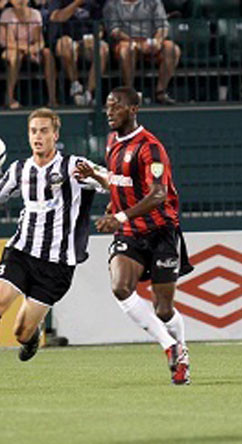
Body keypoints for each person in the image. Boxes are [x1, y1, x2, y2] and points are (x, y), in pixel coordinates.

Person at [0, 107, 105, 391]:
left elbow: (112, 183)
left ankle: (31, 337)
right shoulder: (19, 169)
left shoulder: (74, 166)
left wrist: (98, 179)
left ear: (55, 135)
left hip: (57, 265)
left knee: (21, 332)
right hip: (21, 252)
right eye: (33, 131)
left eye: (44, 131)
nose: (38, 136)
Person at [75, 86, 192, 385]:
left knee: (163, 309)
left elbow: (158, 194)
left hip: (161, 232)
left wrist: (119, 216)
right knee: (120, 287)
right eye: (107, 106)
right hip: (129, 233)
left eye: (116, 106)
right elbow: (118, 182)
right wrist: (95, 176)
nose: (109, 112)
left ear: (133, 109)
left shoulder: (150, 148)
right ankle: (169, 346)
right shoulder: (112, 142)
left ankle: (182, 353)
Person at [103, 0, 180, 105]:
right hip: (126, 41)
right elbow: (114, 31)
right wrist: (136, 43)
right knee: (126, 50)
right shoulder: (112, 4)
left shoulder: (154, 2)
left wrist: (157, 41)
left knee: (172, 49)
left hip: (150, 40)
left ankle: (160, 92)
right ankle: (129, 93)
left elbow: (162, 26)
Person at [49, 0, 109, 106]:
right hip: (67, 39)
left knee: (103, 49)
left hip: (87, 41)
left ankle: (89, 93)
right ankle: (75, 86)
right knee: (64, 44)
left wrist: (96, 37)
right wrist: (76, 3)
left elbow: (101, 26)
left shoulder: (94, 3)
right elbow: (56, 17)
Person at [0, 0, 58, 109]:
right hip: (12, 49)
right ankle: (9, 98)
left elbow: (40, 41)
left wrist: (34, 49)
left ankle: (52, 99)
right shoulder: (7, 14)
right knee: (16, 55)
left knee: (47, 54)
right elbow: (8, 42)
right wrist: (27, 49)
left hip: (30, 49)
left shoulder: (35, 14)